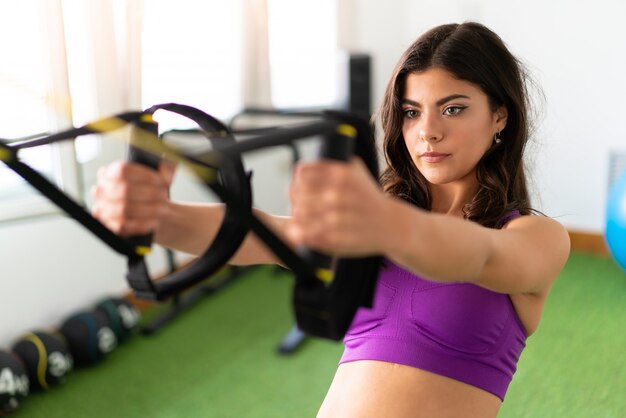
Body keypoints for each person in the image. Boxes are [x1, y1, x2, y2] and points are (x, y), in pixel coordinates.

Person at [92, 22, 570, 418]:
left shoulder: (536, 238)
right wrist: (157, 217)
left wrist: (382, 222)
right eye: (410, 112)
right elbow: (261, 234)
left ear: (500, 117)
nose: (427, 131)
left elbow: (478, 255)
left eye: (453, 108)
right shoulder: (376, 224)